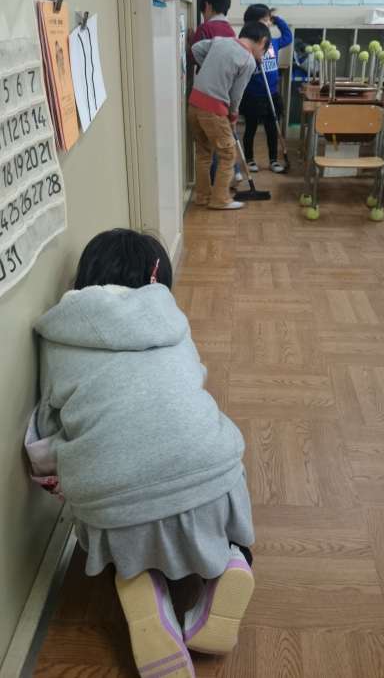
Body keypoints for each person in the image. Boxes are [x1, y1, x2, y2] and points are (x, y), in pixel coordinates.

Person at [25, 229, 255, 677]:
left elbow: (52, 425)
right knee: (218, 454)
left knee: (115, 511)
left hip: (114, 505)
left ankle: (138, 579)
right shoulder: (173, 322)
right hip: (208, 479)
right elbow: (195, 378)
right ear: (158, 280)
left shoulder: (59, 334)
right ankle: (230, 560)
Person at [188, 21, 271, 210]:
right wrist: (233, 117)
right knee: (228, 154)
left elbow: (196, 48)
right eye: (264, 51)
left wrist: (210, 68)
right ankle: (220, 199)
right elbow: (236, 95)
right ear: (262, 41)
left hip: (194, 103)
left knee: (203, 153)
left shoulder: (220, 41)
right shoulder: (248, 60)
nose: (262, 55)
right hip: (213, 109)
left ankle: (202, 197)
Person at [190, 0, 243, 187]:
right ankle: (234, 173)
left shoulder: (205, 29)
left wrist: (189, 43)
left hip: (207, 96)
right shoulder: (230, 31)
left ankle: (215, 182)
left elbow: (193, 57)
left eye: (203, 11)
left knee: (209, 143)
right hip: (226, 92)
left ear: (208, 6)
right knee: (226, 136)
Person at [240, 4, 292, 174]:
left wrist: (276, 19)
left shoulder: (274, 43)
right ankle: (249, 159)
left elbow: (288, 37)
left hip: (272, 94)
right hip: (253, 96)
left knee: (272, 128)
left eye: (269, 20)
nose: (268, 23)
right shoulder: (246, 46)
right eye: (265, 20)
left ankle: (273, 160)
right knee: (251, 129)